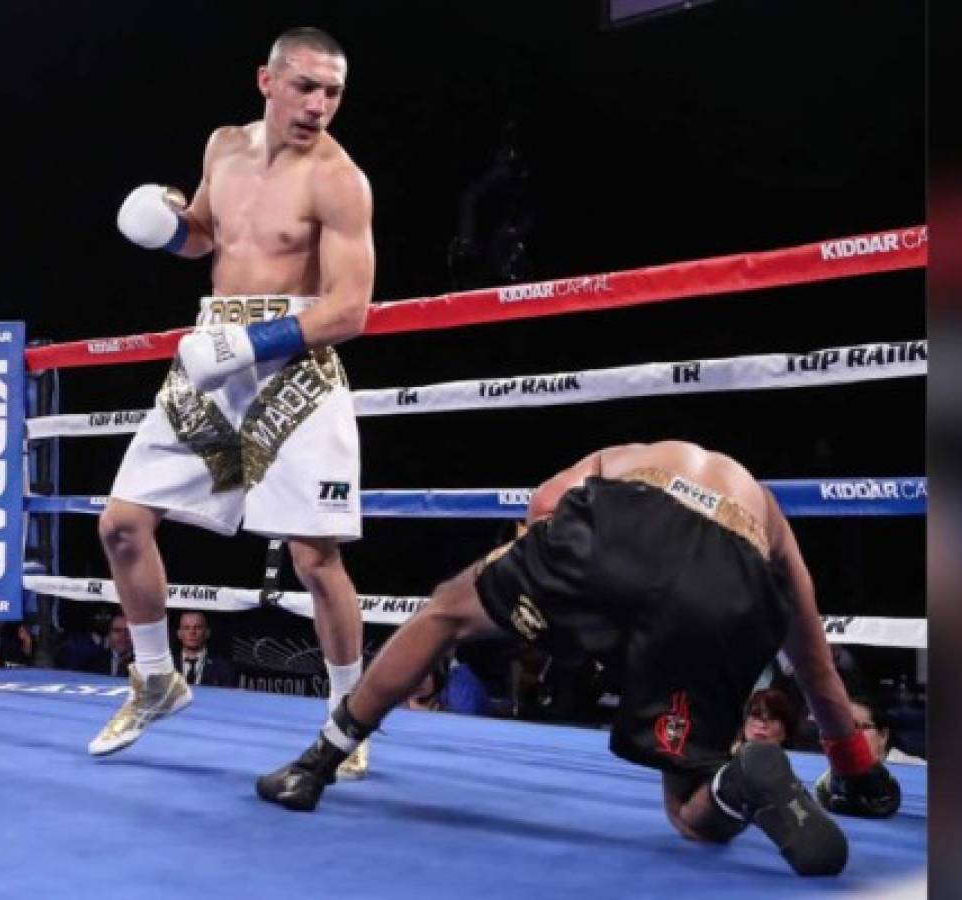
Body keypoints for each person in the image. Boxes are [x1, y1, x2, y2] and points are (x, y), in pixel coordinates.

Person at [256, 440, 902, 876]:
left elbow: (546, 510)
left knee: (446, 611)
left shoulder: (620, 458)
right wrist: (856, 773)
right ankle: (742, 781)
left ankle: (315, 765)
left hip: (623, 528)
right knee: (690, 815)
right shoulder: (768, 520)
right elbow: (813, 664)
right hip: (729, 589)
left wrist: (551, 618)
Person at [88, 26, 374, 780]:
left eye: (333, 91)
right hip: (214, 353)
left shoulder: (339, 180)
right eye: (306, 86)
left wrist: (250, 345)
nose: (319, 104)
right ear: (266, 81)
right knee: (121, 524)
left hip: (295, 366)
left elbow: (350, 310)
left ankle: (349, 718)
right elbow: (207, 237)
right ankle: (155, 678)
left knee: (315, 558)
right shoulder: (222, 146)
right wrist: (166, 230)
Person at [173, 611, 235, 687]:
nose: (192, 632)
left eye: (198, 627)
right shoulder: (166, 666)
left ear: (207, 633)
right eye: (186, 628)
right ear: (179, 634)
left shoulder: (224, 668)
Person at [732, 687, 798, 752]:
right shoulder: (727, 761)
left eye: (772, 718)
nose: (762, 725)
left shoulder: (797, 761)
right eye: (756, 715)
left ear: (785, 731)